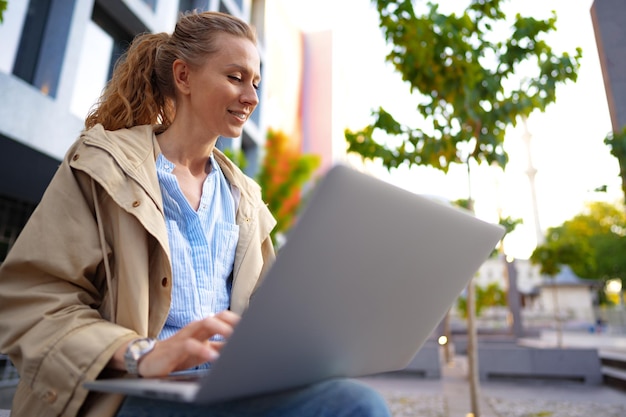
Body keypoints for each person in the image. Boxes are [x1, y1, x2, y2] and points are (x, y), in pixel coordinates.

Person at [0, 10, 391, 417]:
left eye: (255, 83)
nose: (252, 97)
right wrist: (141, 355)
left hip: (225, 389)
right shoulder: (101, 167)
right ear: (184, 77)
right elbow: (31, 301)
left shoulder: (245, 201)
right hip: (133, 392)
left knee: (351, 401)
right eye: (235, 77)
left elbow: (267, 318)